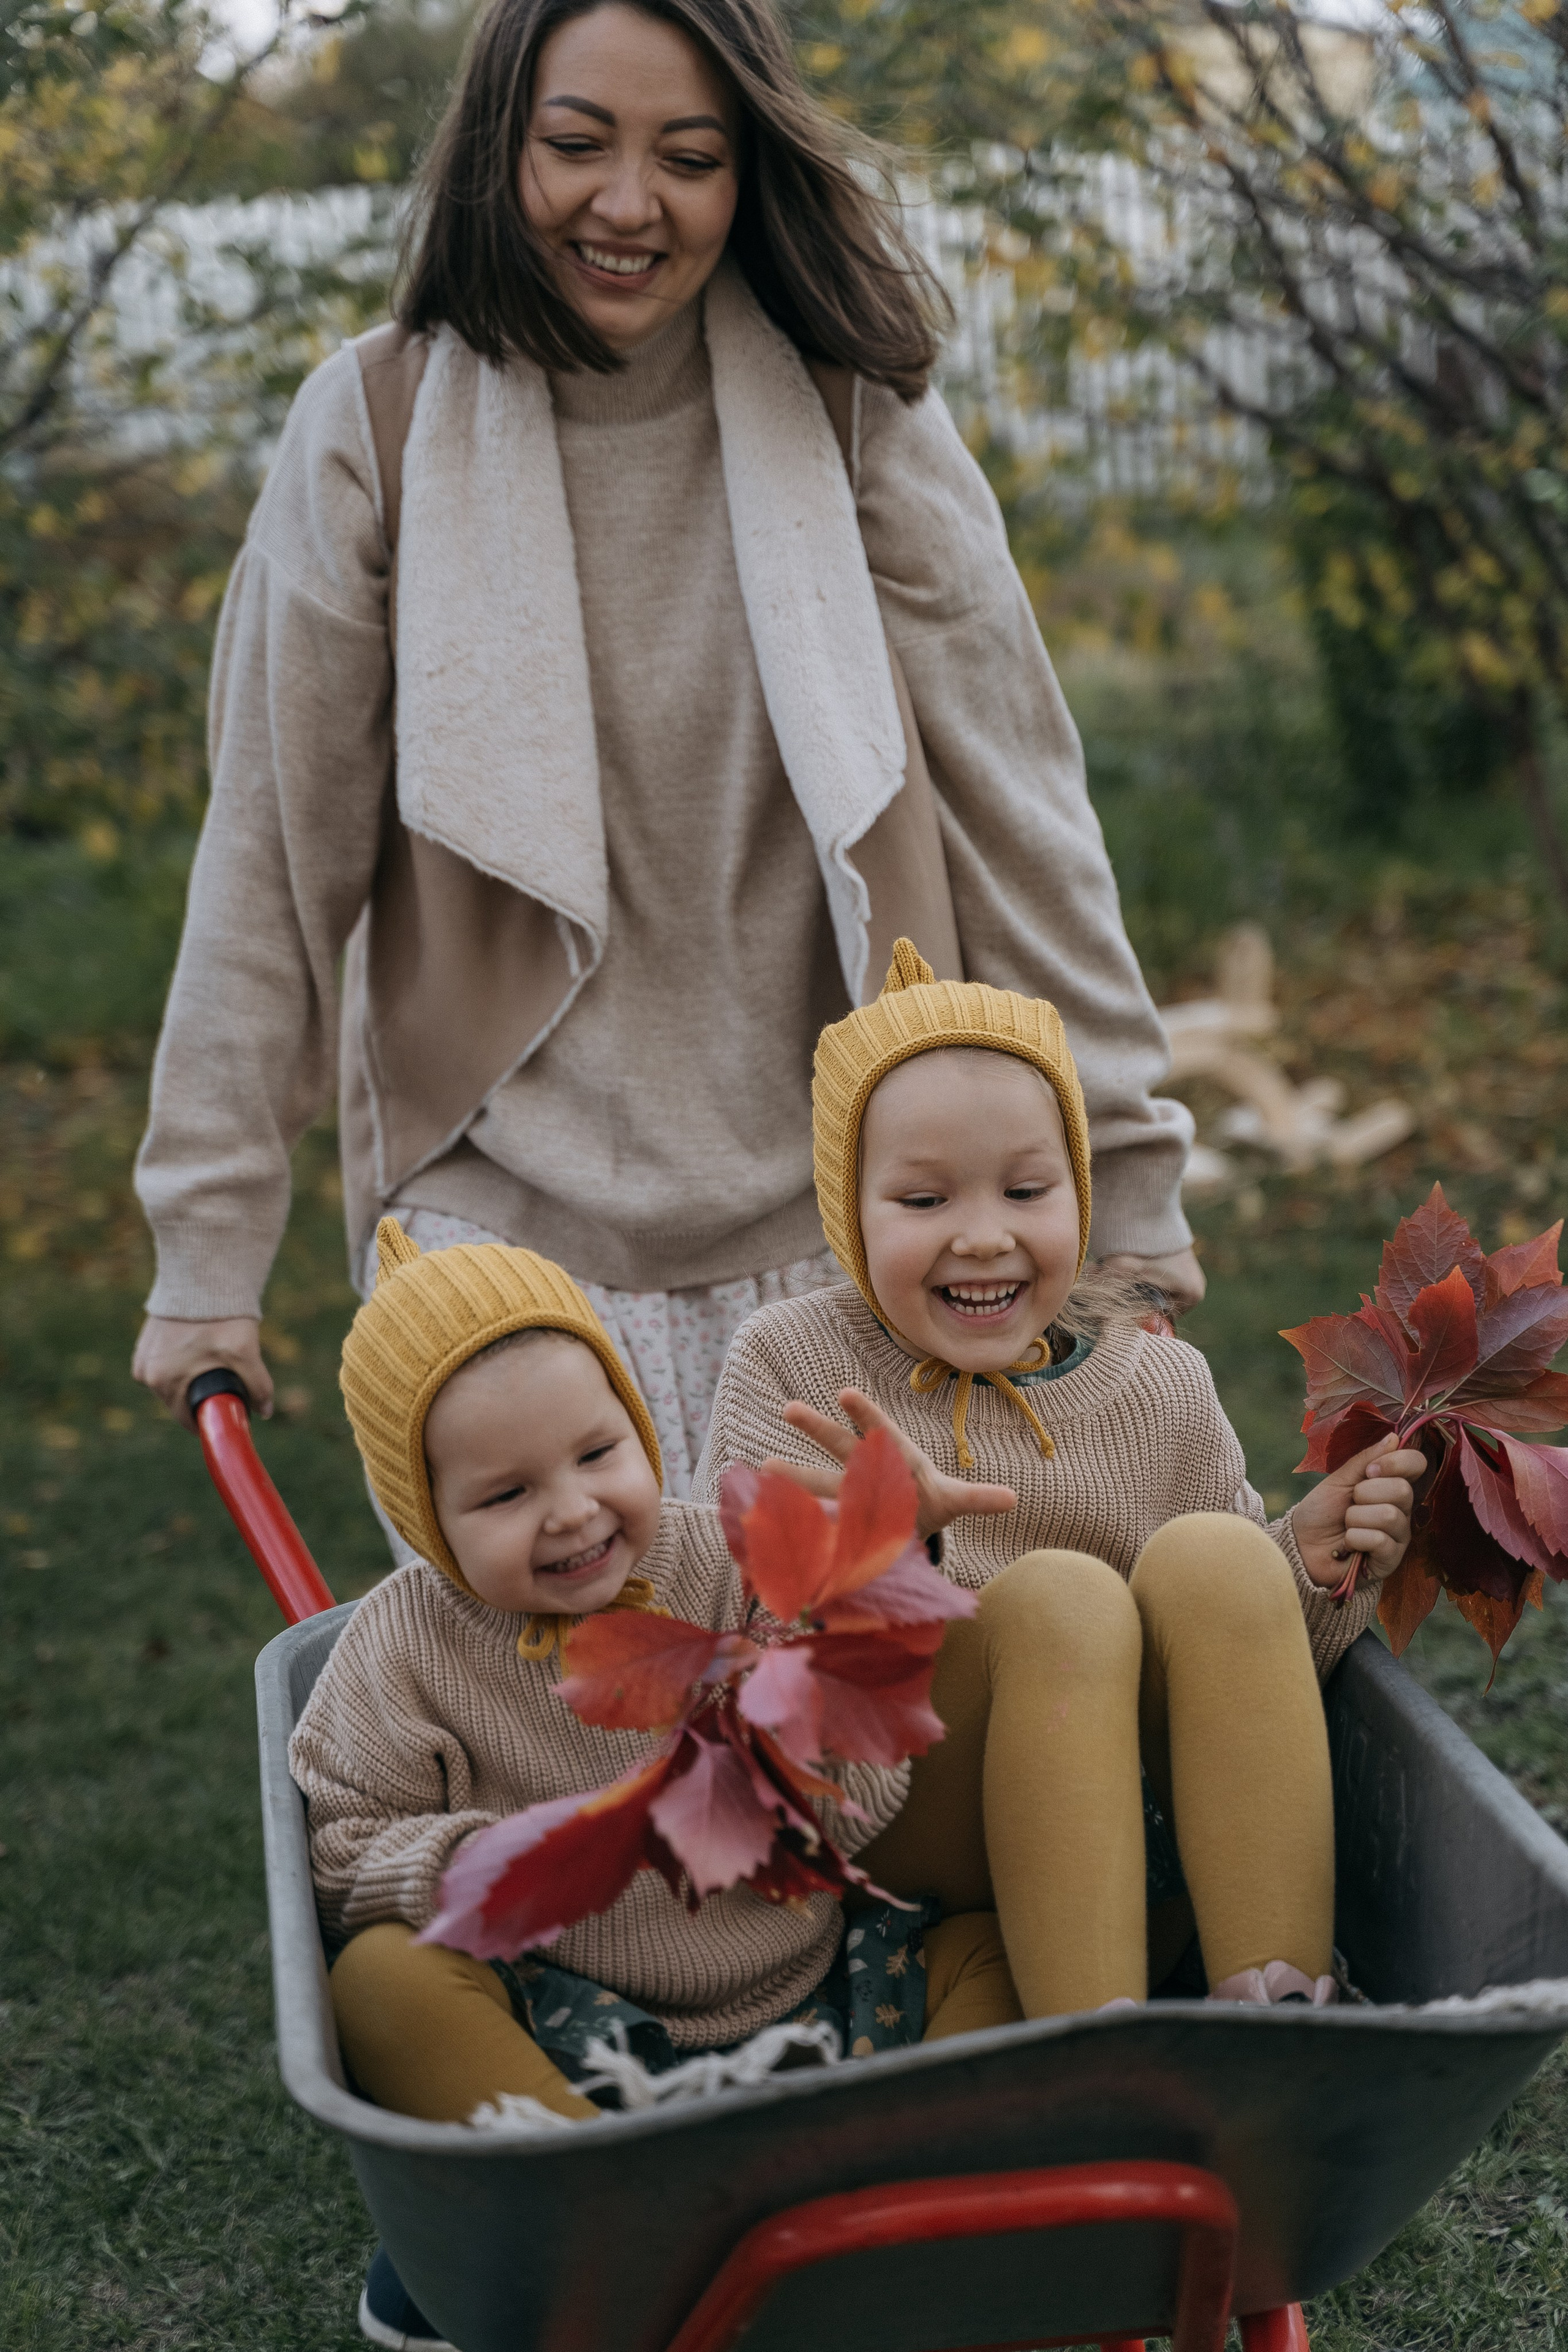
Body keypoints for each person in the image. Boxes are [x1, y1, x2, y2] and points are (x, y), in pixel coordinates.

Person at [132, 0, 1202, 1500]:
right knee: (564, 1664)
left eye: (688, 159)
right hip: (502, 1233)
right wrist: (206, 1245)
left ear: (745, 177)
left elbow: (1019, 817)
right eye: (577, 145)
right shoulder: (371, 432)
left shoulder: (854, 416)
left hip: (848, 1222)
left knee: (862, 1661)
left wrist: (1127, 1181)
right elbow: (268, 862)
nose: (627, 205)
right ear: (498, 148)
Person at [694, 941, 1428, 2013]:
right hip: (904, 1824)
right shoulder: (794, 1366)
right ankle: (1093, 2032)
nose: (983, 1236)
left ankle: (1278, 2000)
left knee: (1220, 1554)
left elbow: (1233, 1684)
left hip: (1129, 1852)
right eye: (923, 1200)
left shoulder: (1160, 1384)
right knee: (1061, 1595)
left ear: (1079, 1191)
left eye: (1027, 1189)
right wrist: (878, 1563)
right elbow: (733, 1661)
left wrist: (1307, 1569)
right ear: (849, 1213)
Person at [295, 1218, 1026, 2146]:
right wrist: (497, 1859)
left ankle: (912, 2156)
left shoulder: (730, 1563)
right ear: (426, 1516)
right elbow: (338, 1852)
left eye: (597, 1454)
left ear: (637, 1427)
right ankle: (597, 2180)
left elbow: (859, 1807)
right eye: (506, 1495)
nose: (573, 1511)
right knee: (379, 1978)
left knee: (989, 1951)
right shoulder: (401, 1647)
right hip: (570, 2025)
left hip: (816, 1986)